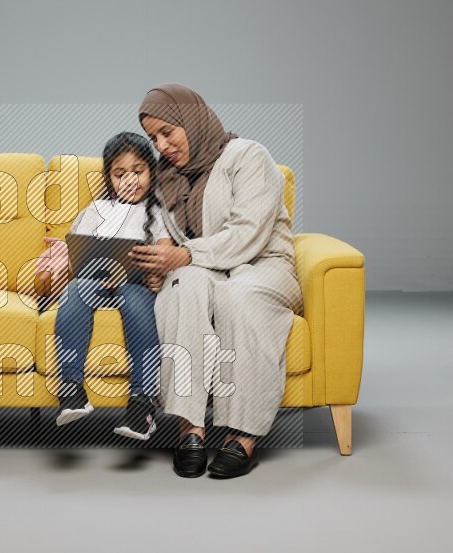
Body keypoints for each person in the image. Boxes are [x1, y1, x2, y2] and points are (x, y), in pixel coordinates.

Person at [128, 83, 304, 478]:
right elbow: (164, 238)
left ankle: (242, 436)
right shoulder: (165, 178)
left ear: (191, 120)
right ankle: (189, 429)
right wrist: (159, 266)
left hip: (262, 265)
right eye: (153, 138)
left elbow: (248, 234)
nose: (162, 145)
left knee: (237, 298)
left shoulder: (248, 156)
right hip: (206, 268)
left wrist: (185, 255)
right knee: (180, 288)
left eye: (167, 133)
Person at [39, 132, 175, 440]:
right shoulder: (96, 211)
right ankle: (71, 390)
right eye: (120, 174)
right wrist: (66, 256)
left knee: (134, 297)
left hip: (135, 283)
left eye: (138, 171)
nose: (130, 180)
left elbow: (165, 251)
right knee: (75, 291)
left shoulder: (157, 212)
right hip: (96, 281)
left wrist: (156, 272)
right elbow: (79, 258)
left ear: (151, 173)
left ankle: (142, 404)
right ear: (109, 178)